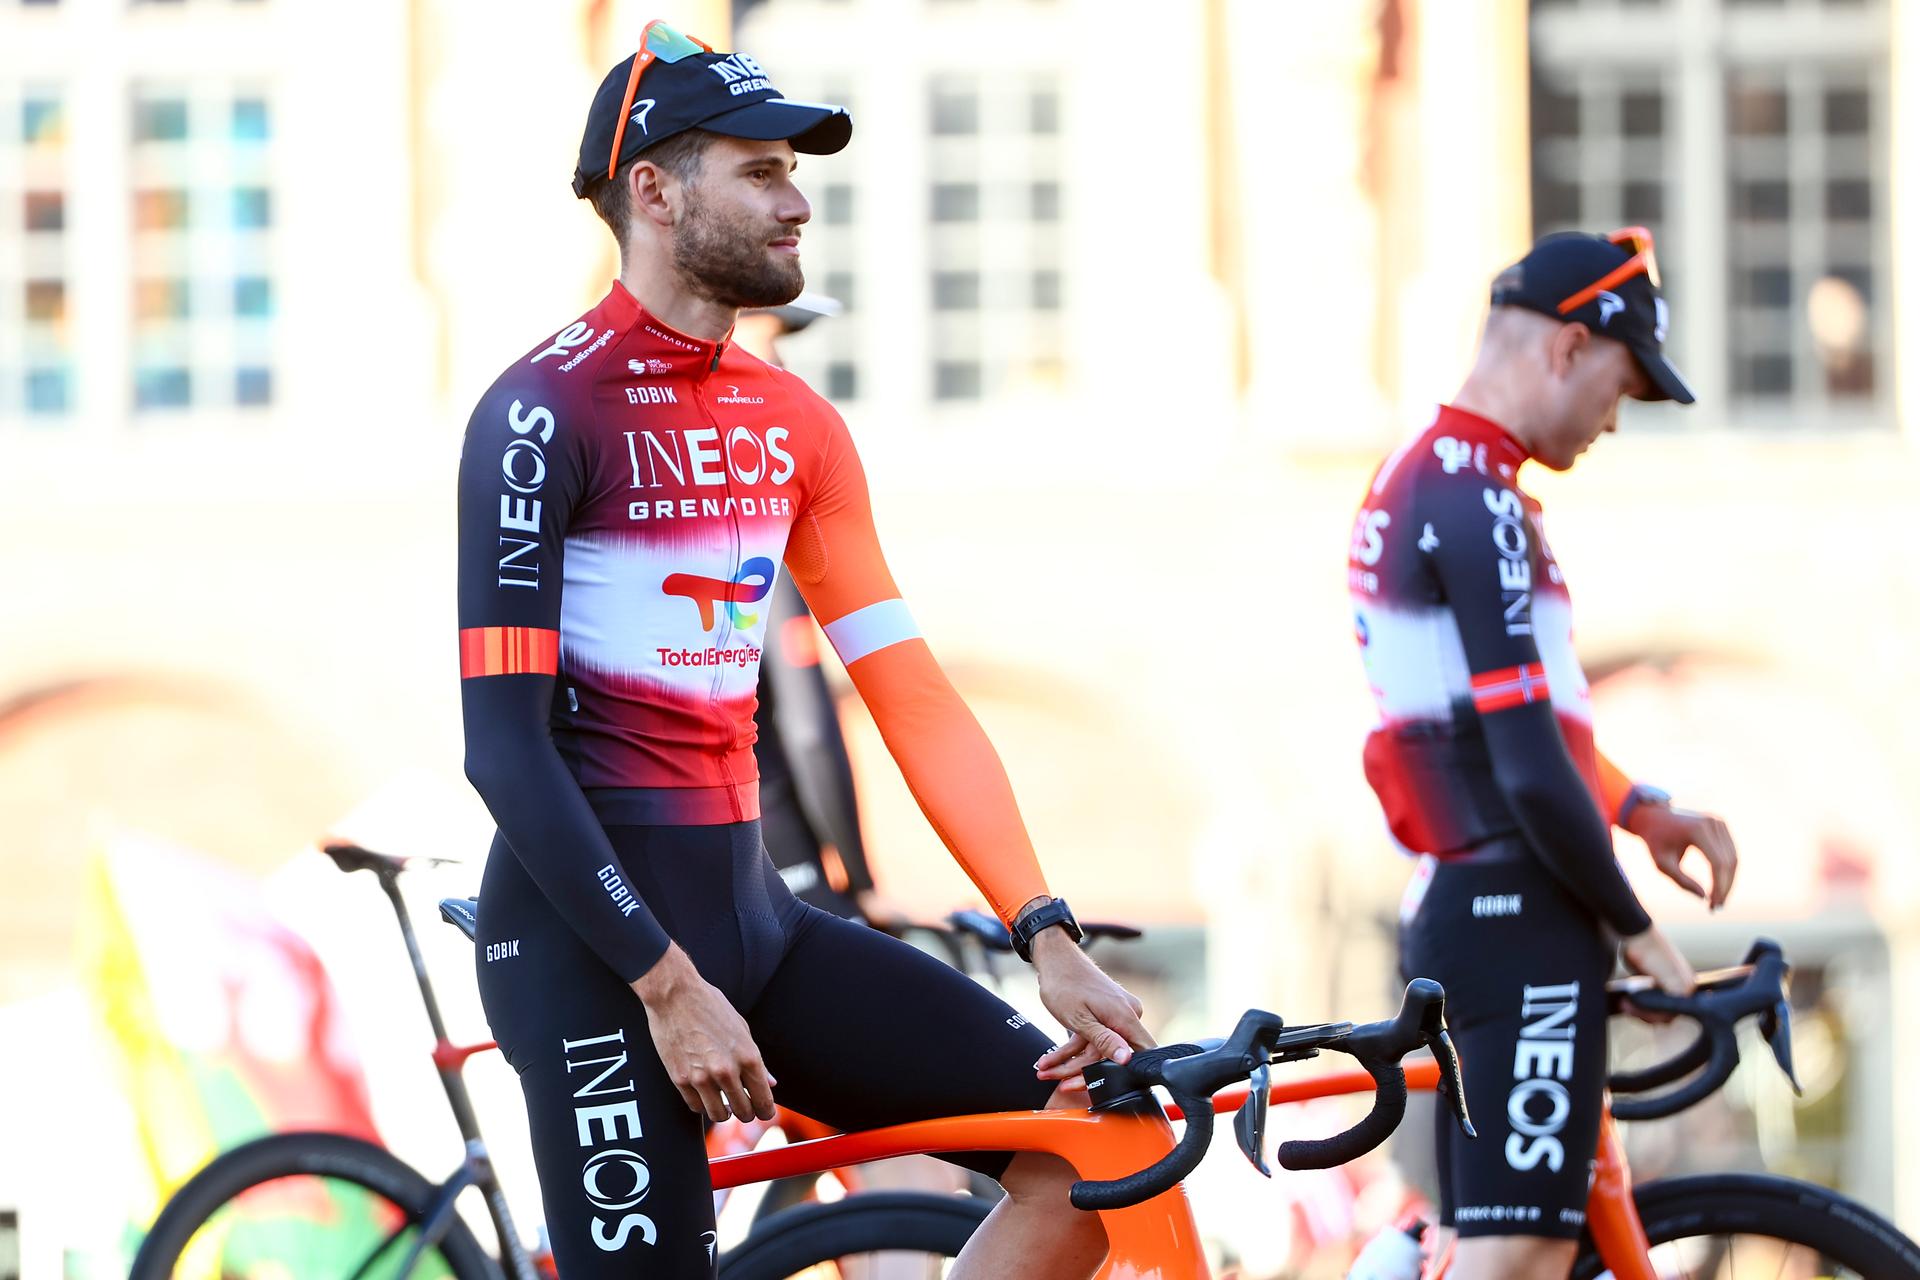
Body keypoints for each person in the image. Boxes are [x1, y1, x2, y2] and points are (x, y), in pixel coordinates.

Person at [456, 21, 1145, 1279]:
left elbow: (907, 690)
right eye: (761, 171)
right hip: (591, 951)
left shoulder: (793, 422)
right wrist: (665, 984)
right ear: (655, 190)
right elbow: (501, 751)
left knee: (1104, 1142)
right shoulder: (540, 410)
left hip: (757, 915)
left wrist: (1043, 927)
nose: (799, 201)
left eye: (795, 170)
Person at [1346, 229, 1740, 1279]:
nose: (1616, 418)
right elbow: (1521, 767)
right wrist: (1632, 920)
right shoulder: (1476, 501)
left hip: (1474, 899)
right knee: (1514, 1256)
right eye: (1621, 384)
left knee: (1488, 1246)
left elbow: (1512, 732)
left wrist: (1638, 806)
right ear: (1568, 347)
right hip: (1517, 911)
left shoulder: (1436, 477)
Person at [730, 294, 907, 927]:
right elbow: (808, 726)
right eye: (765, 339)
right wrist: (860, 881)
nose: (780, 365)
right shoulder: (755, 524)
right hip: (774, 844)